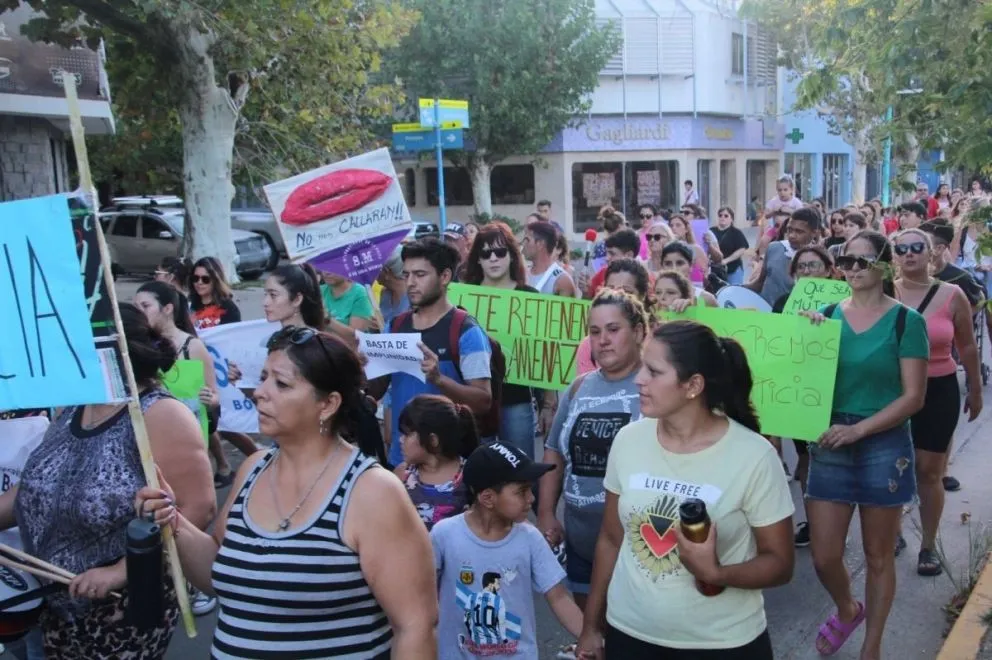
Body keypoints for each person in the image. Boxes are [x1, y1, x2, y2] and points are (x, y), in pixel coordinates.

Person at [137, 326, 438, 658]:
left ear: (328, 404)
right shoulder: (252, 469)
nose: (260, 392)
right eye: (263, 377)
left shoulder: (372, 492)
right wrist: (172, 520)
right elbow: (220, 573)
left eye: (281, 384)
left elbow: (416, 626)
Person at [0, 304, 215, 659]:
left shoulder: (160, 414)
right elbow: (35, 490)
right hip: (53, 605)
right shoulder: (74, 408)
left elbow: (197, 508)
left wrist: (121, 572)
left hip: (117, 614)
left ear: (108, 353)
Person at [576, 320, 795, 660]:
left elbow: (780, 563)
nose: (639, 380)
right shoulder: (628, 440)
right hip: (629, 635)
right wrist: (591, 626)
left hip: (721, 644)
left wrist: (716, 573)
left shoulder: (754, 456)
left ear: (693, 385)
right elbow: (610, 538)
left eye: (654, 371)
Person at [799, 230, 928, 659]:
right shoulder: (826, 315)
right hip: (831, 440)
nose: (852, 268)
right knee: (823, 556)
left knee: (878, 556)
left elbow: (914, 397)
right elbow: (797, 376)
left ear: (884, 266)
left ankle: (870, 647)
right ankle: (847, 608)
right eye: (846, 260)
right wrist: (810, 334)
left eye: (862, 261)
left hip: (884, 443)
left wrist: (860, 430)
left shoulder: (908, 321)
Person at [539, 288, 646, 611]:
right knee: (592, 634)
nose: (603, 340)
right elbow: (553, 452)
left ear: (638, 331)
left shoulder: (656, 385)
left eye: (614, 330)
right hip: (580, 540)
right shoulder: (579, 387)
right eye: (595, 331)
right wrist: (546, 514)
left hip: (638, 545)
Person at [431, 442, 584, 659]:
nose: (531, 498)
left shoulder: (530, 539)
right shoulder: (444, 535)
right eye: (521, 491)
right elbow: (422, 592)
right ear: (487, 498)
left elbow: (559, 597)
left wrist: (588, 637)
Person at [892, 229, 982, 575]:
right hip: (893, 390)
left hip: (940, 388)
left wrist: (974, 388)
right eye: (902, 248)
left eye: (918, 247)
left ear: (931, 254)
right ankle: (894, 531)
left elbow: (968, 345)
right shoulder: (884, 292)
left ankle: (928, 546)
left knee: (929, 471)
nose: (910, 253)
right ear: (894, 256)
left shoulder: (952, 294)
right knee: (894, 465)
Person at [369, 238, 493, 468]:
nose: (411, 283)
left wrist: (439, 380)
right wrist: (364, 365)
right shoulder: (394, 327)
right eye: (406, 275)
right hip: (402, 463)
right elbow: (377, 388)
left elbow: (483, 402)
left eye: (420, 274)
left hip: (448, 467)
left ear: (445, 277)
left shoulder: (467, 332)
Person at [463, 223, 550, 457]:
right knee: (480, 471)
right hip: (473, 401)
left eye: (500, 252)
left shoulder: (530, 297)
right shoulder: (462, 299)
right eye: (486, 253)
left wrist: (548, 405)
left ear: (511, 256)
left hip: (517, 399)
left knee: (521, 469)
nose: (493, 258)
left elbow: (544, 354)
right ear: (478, 260)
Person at [397, 394, 478, 530]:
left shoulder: (469, 476)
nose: (401, 440)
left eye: (407, 434)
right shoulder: (402, 474)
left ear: (433, 440)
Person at [576, 259, 652, 376]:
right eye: (610, 290)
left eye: (626, 292)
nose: (617, 297)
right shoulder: (588, 347)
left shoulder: (659, 343)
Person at [749, 207, 820, 307]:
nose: (792, 235)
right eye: (789, 230)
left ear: (814, 233)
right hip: (766, 315)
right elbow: (759, 283)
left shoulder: (821, 258)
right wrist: (734, 290)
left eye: (799, 231)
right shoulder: (774, 248)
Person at [264, 263, 325, 329]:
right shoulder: (275, 337)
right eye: (265, 294)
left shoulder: (314, 338)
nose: (265, 303)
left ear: (297, 299)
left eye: (273, 295)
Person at [523, 221, 576, 297]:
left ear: (540, 244)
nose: (523, 244)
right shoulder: (522, 275)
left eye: (527, 240)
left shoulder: (562, 280)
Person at [585, 228, 641, 299]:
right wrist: (586, 293)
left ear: (629, 255)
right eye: (607, 253)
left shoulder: (641, 278)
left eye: (612, 254)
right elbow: (587, 306)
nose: (607, 258)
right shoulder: (602, 274)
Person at [189, 256, 241, 330]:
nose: (199, 282)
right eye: (195, 278)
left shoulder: (229, 309)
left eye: (205, 279)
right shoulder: (191, 304)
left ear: (216, 280)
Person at [661, 242, 718, 307]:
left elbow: (721, 317)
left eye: (680, 263)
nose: (674, 268)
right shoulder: (656, 299)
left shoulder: (706, 299)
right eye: (668, 264)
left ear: (691, 266)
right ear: (662, 266)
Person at [669, 214, 714, 285]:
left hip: (695, 288)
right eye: (671, 226)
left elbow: (705, 273)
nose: (673, 228)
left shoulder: (695, 249)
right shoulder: (666, 249)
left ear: (686, 229)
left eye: (678, 225)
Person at [710, 207, 750, 285]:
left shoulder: (736, 232)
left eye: (726, 216)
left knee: (733, 292)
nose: (722, 218)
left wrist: (726, 261)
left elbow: (741, 249)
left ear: (731, 219)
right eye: (720, 215)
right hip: (716, 269)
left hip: (733, 269)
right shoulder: (711, 231)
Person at [377, 246, 412, 326]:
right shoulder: (385, 293)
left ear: (386, 271)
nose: (373, 274)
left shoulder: (414, 295)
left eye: (376, 269)